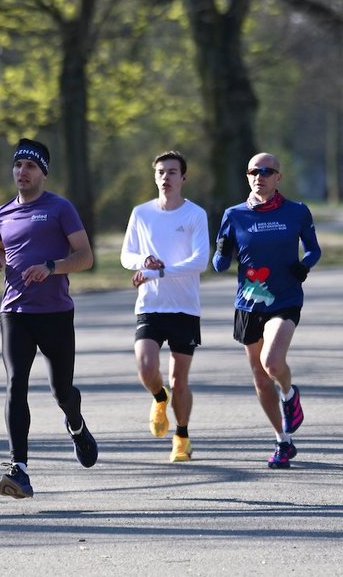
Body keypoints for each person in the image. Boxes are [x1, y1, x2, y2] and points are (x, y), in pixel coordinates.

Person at [0, 138, 97, 499]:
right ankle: (19, 468)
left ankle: (76, 426)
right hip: (14, 312)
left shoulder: (59, 208)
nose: (22, 171)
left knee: (61, 391)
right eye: (18, 165)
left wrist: (52, 267)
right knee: (15, 383)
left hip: (55, 313)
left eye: (30, 166)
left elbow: (85, 257)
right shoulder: (2, 213)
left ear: (43, 173)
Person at [213, 153, 322, 468]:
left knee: (272, 362)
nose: (259, 176)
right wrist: (221, 250)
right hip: (248, 303)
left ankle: (288, 394)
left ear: (278, 177)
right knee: (261, 380)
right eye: (253, 171)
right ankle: (282, 441)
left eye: (266, 171)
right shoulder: (233, 215)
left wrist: (304, 266)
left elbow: (314, 249)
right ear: (247, 176)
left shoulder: (296, 211)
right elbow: (219, 265)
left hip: (285, 298)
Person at [120, 151, 210, 462]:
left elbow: (200, 261)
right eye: (160, 172)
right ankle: (160, 398)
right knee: (146, 367)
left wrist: (160, 272)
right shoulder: (141, 213)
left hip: (185, 308)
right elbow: (126, 255)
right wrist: (142, 261)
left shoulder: (195, 215)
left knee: (179, 380)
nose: (165, 177)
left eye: (172, 172)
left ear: (183, 177)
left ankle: (182, 436)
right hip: (150, 304)